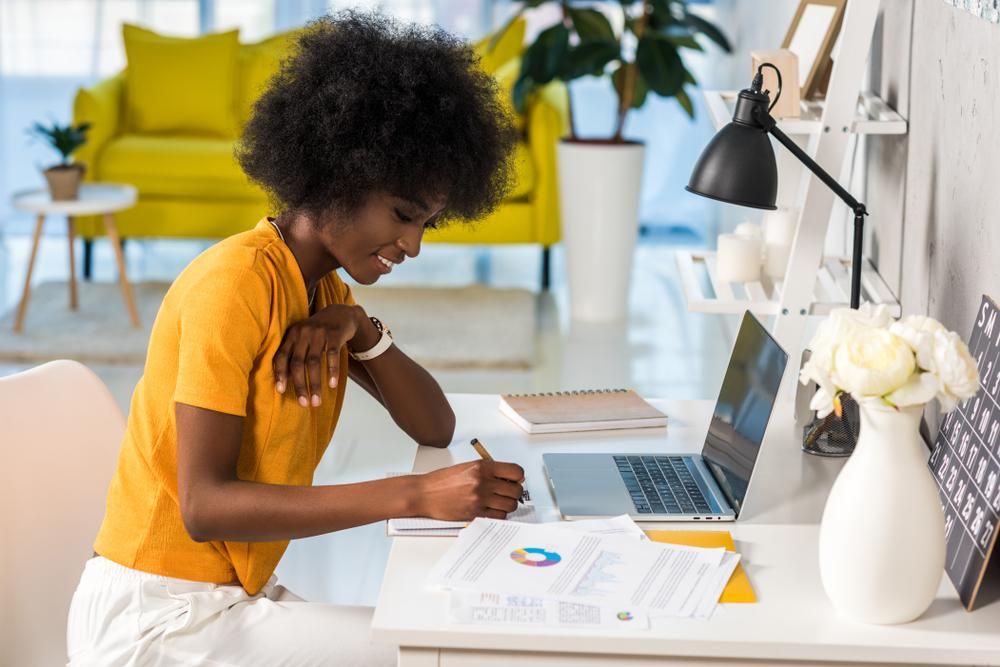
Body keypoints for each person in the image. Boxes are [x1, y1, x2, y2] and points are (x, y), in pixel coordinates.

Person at [67, 10, 523, 666]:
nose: (414, 245)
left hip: (222, 597)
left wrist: (360, 327)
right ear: (339, 173)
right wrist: (418, 494)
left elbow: (435, 424)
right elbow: (204, 505)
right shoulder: (235, 282)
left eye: (427, 223)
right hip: (157, 618)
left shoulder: (324, 291)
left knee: (433, 635)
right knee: (433, 651)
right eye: (402, 215)